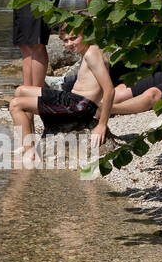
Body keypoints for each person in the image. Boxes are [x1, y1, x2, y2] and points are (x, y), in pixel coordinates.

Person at [8, 30, 114, 164]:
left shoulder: (92, 53)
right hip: (72, 99)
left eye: (74, 38)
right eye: (65, 40)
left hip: (79, 106)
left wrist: (102, 124)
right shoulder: (88, 51)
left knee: (15, 105)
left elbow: (109, 90)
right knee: (21, 91)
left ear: (86, 34)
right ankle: (28, 142)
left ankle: (30, 154)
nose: (69, 44)